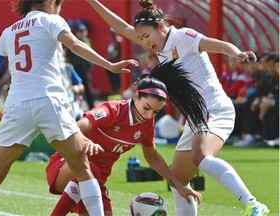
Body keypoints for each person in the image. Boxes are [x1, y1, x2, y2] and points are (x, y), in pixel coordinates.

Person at [85, 0, 270, 215]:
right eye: (141, 38)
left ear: (161, 27)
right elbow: (121, 27)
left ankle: (253, 203)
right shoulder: (158, 45)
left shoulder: (182, 37)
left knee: (200, 157)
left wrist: (236, 52)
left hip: (213, 107)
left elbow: (216, 44)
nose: (145, 42)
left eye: (147, 36)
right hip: (196, 115)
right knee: (178, 180)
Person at [0, 0, 138, 215]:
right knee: (82, 168)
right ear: (51, 3)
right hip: (49, 101)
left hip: (17, 105)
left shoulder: (9, 31)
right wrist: (110, 65)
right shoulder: (51, 20)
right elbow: (75, 45)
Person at [46, 64, 205, 216]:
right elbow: (74, 128)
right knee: (90, 169)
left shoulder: (147, 124)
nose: (149, 115)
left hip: (97, 182)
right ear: (136, 96)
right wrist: (86, 142)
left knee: (94, 174)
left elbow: (152, 156)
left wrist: (179, 186)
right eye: (147, 108)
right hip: (65, 166)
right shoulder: (112, 110)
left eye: (155, 112)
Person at [66, 21, 95, 109]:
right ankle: (77, 107)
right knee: (76, 87)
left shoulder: (87, 41)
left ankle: (92, 107)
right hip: (76, 67)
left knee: (88, 88)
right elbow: (68, 57)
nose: (82, 33)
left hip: (86, 68)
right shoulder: (74, 43)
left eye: (84, 31)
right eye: (80, 31)